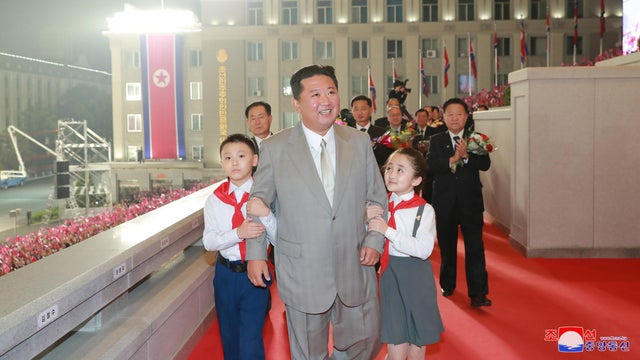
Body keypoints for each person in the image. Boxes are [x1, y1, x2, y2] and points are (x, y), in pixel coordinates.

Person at [246, 64, 388, 359]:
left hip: (354, 262)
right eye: (315, 94)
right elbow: (258, 204)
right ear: (297, 103)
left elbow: (376, 196)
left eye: (331, 92)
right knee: (309, 352)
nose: (326, 101)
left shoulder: (359, 142)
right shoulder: (276, 148)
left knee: (364, 341)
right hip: (302, 269)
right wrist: (256, 254)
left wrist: (374, 241)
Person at [202, 133, 276, 359]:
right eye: (227, 157)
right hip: (225, 274)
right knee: (229, 336)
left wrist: (267, 215)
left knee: (251, 340)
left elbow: (280, 238)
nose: (234, 162)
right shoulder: (215, 199)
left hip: (255, 275)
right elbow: (209, 241)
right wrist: (238, 233)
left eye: (241, 156)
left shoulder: (266, 195)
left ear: (254, 160)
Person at [367, 147, 444, 360]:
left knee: (417, 340)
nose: (391, 174)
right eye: (389, 168)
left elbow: (423, 250)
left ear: (417, 179)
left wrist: (387, 230)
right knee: (395, 338)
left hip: (416, 278)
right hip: (390, 275)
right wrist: (366, 220)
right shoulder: (381, 205)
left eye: (401, 170)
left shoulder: (424, 210)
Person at [426, 98, 492, 308]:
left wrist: (467, 157)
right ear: (443, 117)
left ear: (466, 116)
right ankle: (448, 284)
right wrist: (453, 159)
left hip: (470, 201)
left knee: (475, 247)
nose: (454, 118)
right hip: (444, 201)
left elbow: (485, 164)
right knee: (447, 246)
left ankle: (478, 293)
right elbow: (430, 166)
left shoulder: (476, 139)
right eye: (450, 114)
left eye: (459, 114)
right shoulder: (436, 140)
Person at [350, 95, 392, 168]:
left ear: (371, 110)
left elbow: (388, 156)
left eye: (363, 109)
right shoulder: (347, 133)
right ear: (352, 111)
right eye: (356, 109)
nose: (359, 113)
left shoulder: (383, 133)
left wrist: (374, 146)